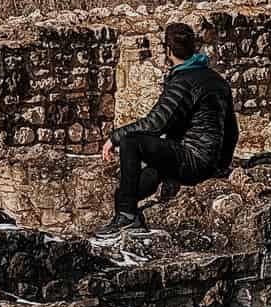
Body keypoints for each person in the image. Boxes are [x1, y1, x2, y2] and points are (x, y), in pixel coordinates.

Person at [95, 20, 238, 240]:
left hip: (191, 159)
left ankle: (127, 217)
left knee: (131, 142)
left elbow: (156, 124)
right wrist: (220, 167)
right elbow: (232, 132)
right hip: (205, 161)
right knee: (127, 191)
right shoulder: (217, 80)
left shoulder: (183, 81)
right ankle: (125, 207)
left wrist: (115, 137)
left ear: (168, 51)